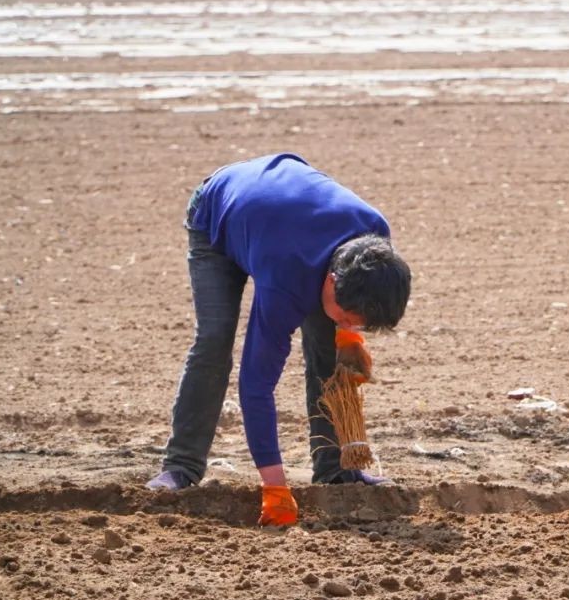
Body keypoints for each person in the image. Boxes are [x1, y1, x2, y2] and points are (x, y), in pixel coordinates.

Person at [145, 153, 411, 527]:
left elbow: (351, 301)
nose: (350, 325)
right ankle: (181, 467)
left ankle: (335, 470)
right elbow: (256, 386)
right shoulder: (285, 281)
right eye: (350, 318)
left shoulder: (374, 235)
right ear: (332, 282)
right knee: (215, 340)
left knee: (329, 351)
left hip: (281, 224)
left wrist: (348, 336)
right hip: (217, 217)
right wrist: (274, 487)